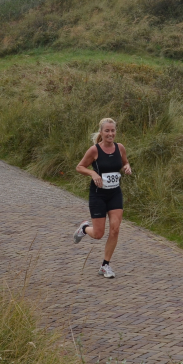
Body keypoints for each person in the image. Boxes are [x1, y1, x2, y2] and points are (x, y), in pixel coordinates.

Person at [73, 118, 132, 278]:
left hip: (115, 194)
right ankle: (84, 229)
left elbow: (125, 163)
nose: (110, 134)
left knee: (115, 228)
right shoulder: (94, 150)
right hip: (98, 195)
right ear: (101, 132)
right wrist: (93, 173)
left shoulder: (120, 148)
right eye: (107, 131)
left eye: (113, 130)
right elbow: (80, 167)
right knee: (99, 234)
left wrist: (127, 167)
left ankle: (105, 265)